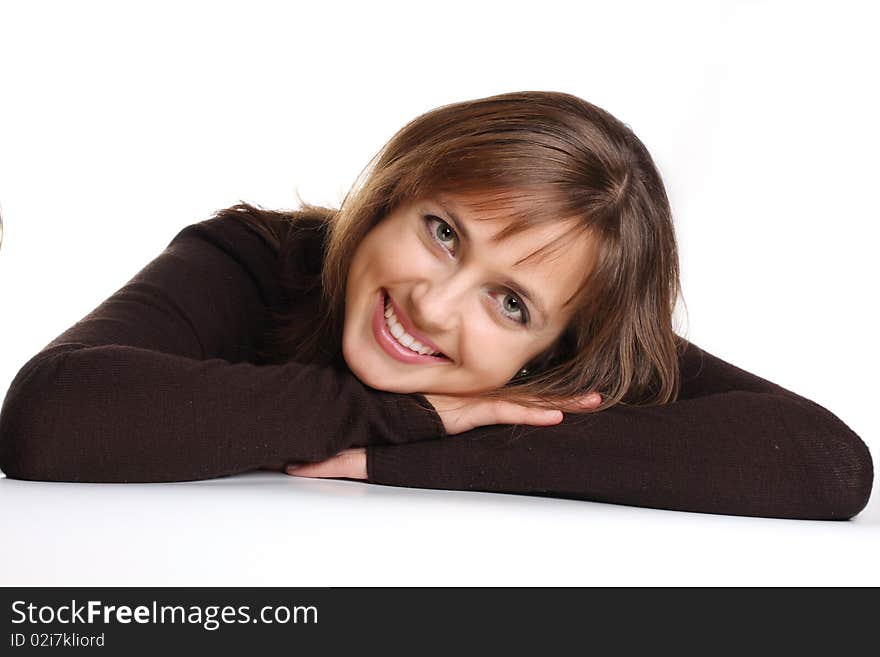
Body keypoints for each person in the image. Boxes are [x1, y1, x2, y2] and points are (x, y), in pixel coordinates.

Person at [0, 91, 872, 520]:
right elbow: (47, 415)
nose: (433, 303)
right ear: (392, 192)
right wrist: (405, 411)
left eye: (511, 303)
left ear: (556, 351)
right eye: (444, 231)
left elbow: (826, 463)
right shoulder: (259, 257)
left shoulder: (563, 370)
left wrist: (418, 454)